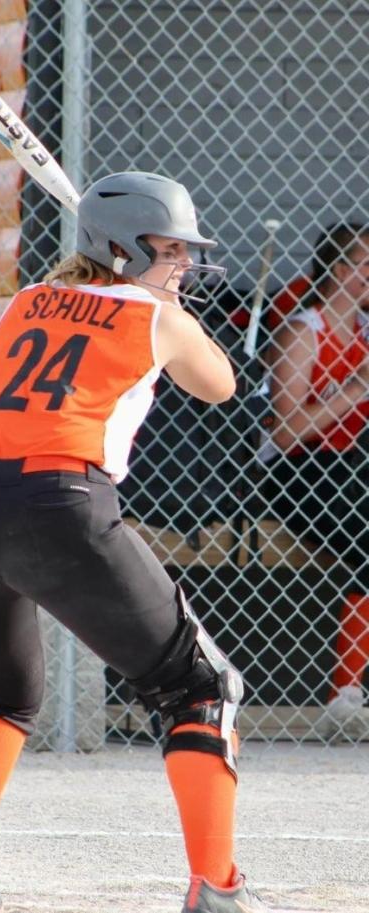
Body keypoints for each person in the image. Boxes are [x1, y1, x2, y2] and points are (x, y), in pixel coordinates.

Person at [0, 173, 269, 913]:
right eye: (170, 251)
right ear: (123, 249)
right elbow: (221, 384)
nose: (184, 267)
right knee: (201, 688)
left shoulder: (23, 302)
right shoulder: (156, 317)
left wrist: (147, 292)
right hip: (59, 507)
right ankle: (218, 887)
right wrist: (162, 307)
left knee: (3, 692)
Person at [264, 222, 369, 740]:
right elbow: (285, 433)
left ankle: (346, 695)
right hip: (302, 472)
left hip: (356, 471)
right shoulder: (305, 330)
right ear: (339, 270)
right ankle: (345, 694)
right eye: (364, 264)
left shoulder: (367, 331)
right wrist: (357, 388)